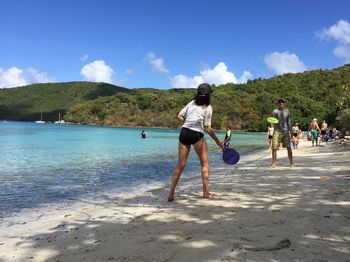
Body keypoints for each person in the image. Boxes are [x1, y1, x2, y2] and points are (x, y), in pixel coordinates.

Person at [168, 83, 224, 201]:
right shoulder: (208, 108)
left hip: (184, 133)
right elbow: (207, 127)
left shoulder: (191, 103)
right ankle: (206, 193)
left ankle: (171, 193)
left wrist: (186, 122)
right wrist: (218, 141)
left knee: (180, 165)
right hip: (196, 134)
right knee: (204, 164)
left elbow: (179, 116)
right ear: (209, 94)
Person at [271, 98, 294, 168]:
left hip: (285, 131)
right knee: (274, 147)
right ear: (278, 103)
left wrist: (291, 131)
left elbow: (289, 122)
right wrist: (272, 115)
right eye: (280, 102)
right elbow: (273, 117)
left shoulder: (287, 111)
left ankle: (291, 162)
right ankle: (274, 163)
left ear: (284, 103)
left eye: (282, 102)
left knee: (288, 147)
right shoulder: (275, 111)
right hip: (277, 131)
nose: (281, 103)